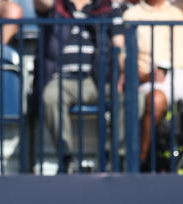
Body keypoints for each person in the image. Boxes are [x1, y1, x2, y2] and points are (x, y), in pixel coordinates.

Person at [124, 0, 183, 171]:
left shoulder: (181, 9)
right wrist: (145, 75)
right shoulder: (131, 15)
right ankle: (142, 159)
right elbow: (125, 58)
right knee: (156, 101)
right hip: (154, 76)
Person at [35, 0, 124, 174]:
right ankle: (66, 158)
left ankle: (112, 158)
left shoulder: (107, 7)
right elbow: (40, 3)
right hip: (64, 79)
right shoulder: (57, 6)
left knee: (132, 99)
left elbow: (119, 46)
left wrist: (122, 76)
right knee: (50, 96)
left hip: (99, 80)